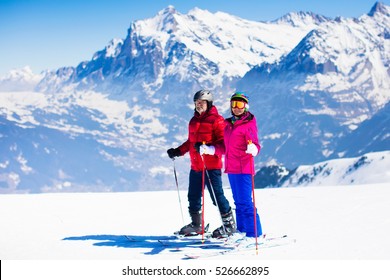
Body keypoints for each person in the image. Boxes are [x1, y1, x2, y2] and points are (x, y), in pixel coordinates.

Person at [167, 89, 236, 238]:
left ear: (209, 103)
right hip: (196, 166)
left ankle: (229, 225)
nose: (199, 105)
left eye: (201, 103)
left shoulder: (217, 120)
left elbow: (223, 146)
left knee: (217, 196)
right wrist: (178, 151)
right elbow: (191, 143)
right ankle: (197, 225)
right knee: (193, 196)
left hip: (212, 167)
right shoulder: (193, 121)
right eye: (197, 103)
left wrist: (208, 149)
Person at [223, 92, 262, 239]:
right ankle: (242, 231)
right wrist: (211, 149)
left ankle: (254, 235)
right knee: (238, 203)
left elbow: (255, 143)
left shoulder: (248, 124)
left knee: (246, 203)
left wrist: (254, 149)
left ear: (245, 107)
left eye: (240, 105)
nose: (236, 108)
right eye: (234, 104)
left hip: (244, 168)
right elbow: (225, 146)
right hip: (232, 168)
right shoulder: (228, 125)